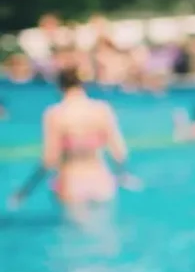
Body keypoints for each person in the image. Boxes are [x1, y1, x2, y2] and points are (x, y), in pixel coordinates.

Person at [8, 67, 136, 212]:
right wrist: (124, 175)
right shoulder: (102, 109)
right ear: (83, 84)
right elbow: (119, 152)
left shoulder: (55, 114)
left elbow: (49, 159)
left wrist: (25, 191)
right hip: (102, 182)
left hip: (72, 182)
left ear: (59, 86)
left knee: (76, 229)